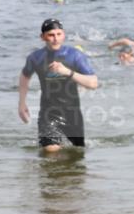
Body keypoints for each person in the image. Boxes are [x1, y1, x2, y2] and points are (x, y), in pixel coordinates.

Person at [18, 18, 99, 151]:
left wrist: (67, 72)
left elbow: (93, 83)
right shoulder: (35, 57)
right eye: (51, 35)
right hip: (48, 114)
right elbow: (25, 76)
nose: (55, 38)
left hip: (73, 114)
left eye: (59, 34)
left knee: (76, 157)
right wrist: (21, 103)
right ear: (42, 37)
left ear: (64, 35)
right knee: (51, 151)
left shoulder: (75, 55)